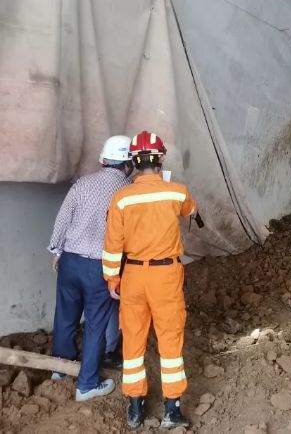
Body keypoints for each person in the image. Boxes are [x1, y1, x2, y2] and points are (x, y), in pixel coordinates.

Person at [102, 130, 196, 429]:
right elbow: (190, 210)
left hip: (133, 277)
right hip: (166, 275)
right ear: (161, 160)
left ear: (133, 162)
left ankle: (135, 407)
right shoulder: (177, 191)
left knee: (132, 340)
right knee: (170, 340)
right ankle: (172, 409)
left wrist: (112, 279)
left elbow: (112, 244)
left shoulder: (120, 198)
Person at [48, 135, 133, 401]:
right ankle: (86, 385)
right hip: (102, 266)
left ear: (102, 160)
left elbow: (63, 219)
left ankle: (60, 369)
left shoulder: (82, 184)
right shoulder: (128, 192)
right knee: (96, 324)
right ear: (129, 164)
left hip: (71, 261)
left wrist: (57, 250)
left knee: (65, 316)